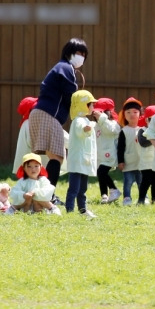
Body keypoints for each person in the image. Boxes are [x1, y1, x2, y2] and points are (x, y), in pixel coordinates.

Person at [29, 38, 88, 195]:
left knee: (52, 157)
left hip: (40, 113)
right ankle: (47, 196)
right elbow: (71, 95)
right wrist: (84, 105)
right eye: (78, 53)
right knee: (57, 157)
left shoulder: (61, 67)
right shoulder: (66, 67)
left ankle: (42, 194)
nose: (81, 57)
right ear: (69, 53)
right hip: (48, 115)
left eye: (83, 54)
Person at [12, 96, 69, 180]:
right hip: (41, 161)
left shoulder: (25, 124)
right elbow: (64, 138)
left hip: (28, 161)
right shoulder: (39, 122)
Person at [65, 90, 97, 219]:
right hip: (78, 159)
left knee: (82, 188)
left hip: (83, 160)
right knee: (74, 188)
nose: (93, 107)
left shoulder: (84, 119)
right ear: (84, 105)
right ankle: (70, 209)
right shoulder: (79, 121)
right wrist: (86, 129)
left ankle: (83, 209)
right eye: (91, 104)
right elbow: (80, 131)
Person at [93, 97, 122, 204]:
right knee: (100, 174)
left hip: (110, 154)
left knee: (101, 172)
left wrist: (102, 118)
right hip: (100, 155)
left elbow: (111, 130)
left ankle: (114, 189)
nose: (98, 115)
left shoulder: (113, 123)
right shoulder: (96, 125)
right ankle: (104, 195)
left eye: (102, 112)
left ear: (108, 113)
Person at [117, 97, 143, 206]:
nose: (132, 114)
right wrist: (121, 161)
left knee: (141, 181)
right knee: (127, 182)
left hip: (141, 162)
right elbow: (120, 148)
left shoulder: (143, 130)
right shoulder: (124, 131)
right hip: (128, 161)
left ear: (140, 114)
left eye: (135, 112)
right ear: (124, 115)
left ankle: (143, 197)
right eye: (128, 112)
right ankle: (127, 198)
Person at [136, 105, 155, 205]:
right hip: (146, 162)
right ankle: (141, 199)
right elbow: (143, 142)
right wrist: (153, 137)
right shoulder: (142, 130)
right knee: (146, 182)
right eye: (151, 119)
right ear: (146, 120)